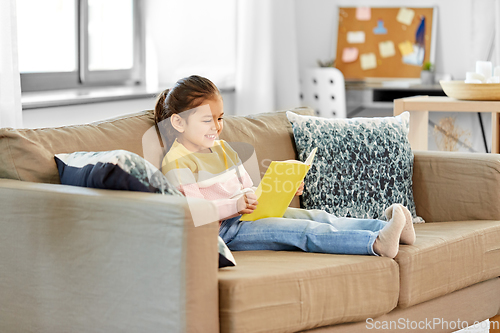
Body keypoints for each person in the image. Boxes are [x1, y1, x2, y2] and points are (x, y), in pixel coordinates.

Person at [155, 75, 416, 258]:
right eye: (206, 120)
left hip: (248, 215)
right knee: (305, 231)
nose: (217, 126)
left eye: (220, 118)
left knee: (319, 217)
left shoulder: (223, 148)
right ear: (178, 123)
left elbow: (249, 190)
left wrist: (281, 188)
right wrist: (234, 206)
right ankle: (377, 243)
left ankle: (384, 226)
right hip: (225, 231)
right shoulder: (177, 162)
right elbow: (194, 213)